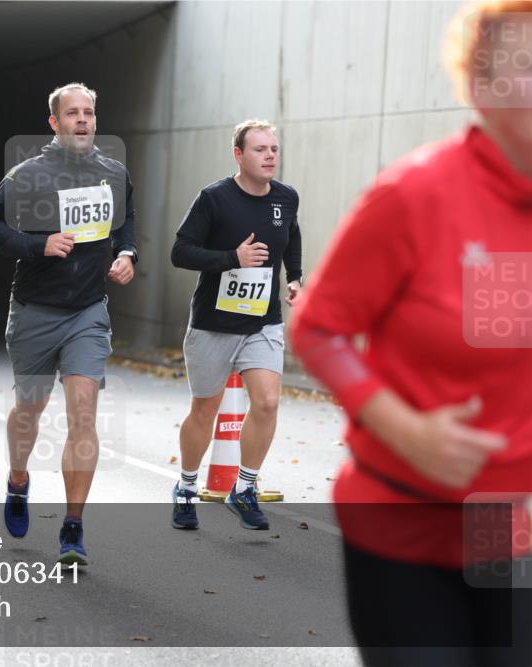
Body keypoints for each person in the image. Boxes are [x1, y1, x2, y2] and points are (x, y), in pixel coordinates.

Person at [291, 3, 531, 664]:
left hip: (506, 526)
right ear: (480, 88)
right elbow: (318, 327)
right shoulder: (415, 195)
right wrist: (407, 429)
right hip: (400, 516)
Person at [0, 82, 138, 565]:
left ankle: (72, 528)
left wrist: (127, 252)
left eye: (89, 112)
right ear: (55, 122)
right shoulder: (29, 173)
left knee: (83, 413)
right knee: (29, 410)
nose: (83, 120)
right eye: (73, 114)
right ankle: (18, 480)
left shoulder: (114, 172)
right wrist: (37, 245)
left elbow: (126, 218)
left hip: (87, 309)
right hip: (35, 310)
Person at [168, 119, 302, 532]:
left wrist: (295, 276)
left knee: (267, 402)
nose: (269, 156)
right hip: (214, 322)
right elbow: (180, 252)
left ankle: (243, 488)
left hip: (262, 321)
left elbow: (290, 234)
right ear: (239, 155)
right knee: (204, 409)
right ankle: (187, 487)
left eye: (274, 149)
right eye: (260, 149)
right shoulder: (214, 199)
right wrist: (231, 258)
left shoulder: (286, 198)